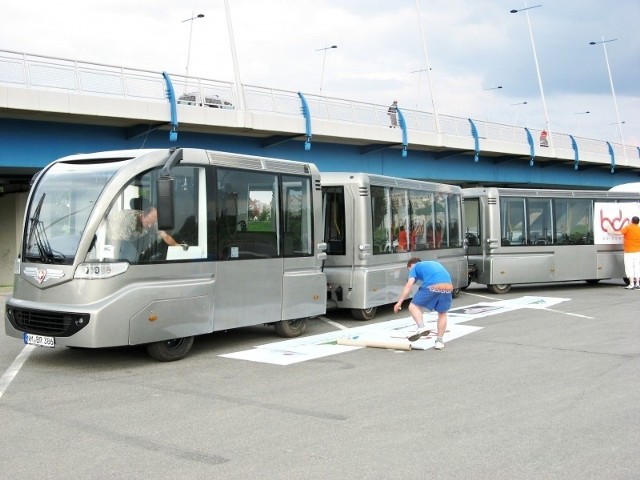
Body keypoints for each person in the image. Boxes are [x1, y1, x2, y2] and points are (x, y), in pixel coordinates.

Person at [393, 258, 453, 350]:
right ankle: (439, 342)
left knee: (413, 306)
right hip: (448, 285)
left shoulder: (414, 267)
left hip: (432, 284)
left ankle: (421, 327)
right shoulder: (432, 263)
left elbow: (409, 285)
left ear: (411, 266)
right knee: (442, 313)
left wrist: (399, 302)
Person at [107, 206, 178, 260]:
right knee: (131, 258)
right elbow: (121, 242)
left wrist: (177, 246)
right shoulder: (130, 223)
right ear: (142, 217)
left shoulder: (152, 220)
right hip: (112, 231)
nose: (150, 225)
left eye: (152, 223)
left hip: (131, 236)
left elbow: (165, 236)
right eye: (148, 222)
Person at [606, 215, 640, 289]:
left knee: (629, 267)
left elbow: (618, 233)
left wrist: (610, 231)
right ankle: (637, 283)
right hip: (638, 252)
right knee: (637, 267)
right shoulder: (639, 229)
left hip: (629, 252)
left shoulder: (628, 227)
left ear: (632, 221)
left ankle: (631, 284)